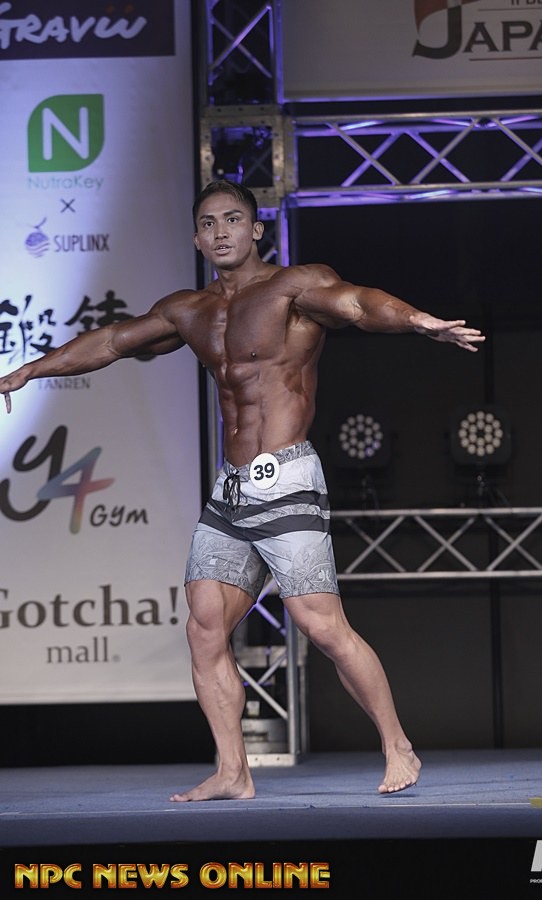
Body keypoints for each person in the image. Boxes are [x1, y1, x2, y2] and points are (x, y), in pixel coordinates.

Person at [0, 180, 485, 801]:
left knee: (320, 624)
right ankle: (233, 770)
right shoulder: (189, 310)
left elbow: (359, 304)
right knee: (204, 625)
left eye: (233, 220)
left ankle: (397, 745)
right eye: (209, 223)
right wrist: (30, 369)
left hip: (288, 477)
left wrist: (417, 321)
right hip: (230, 492)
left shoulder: (294, 287)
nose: (221, 231)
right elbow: (114, 341)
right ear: (197, 238)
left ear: (256, 230)